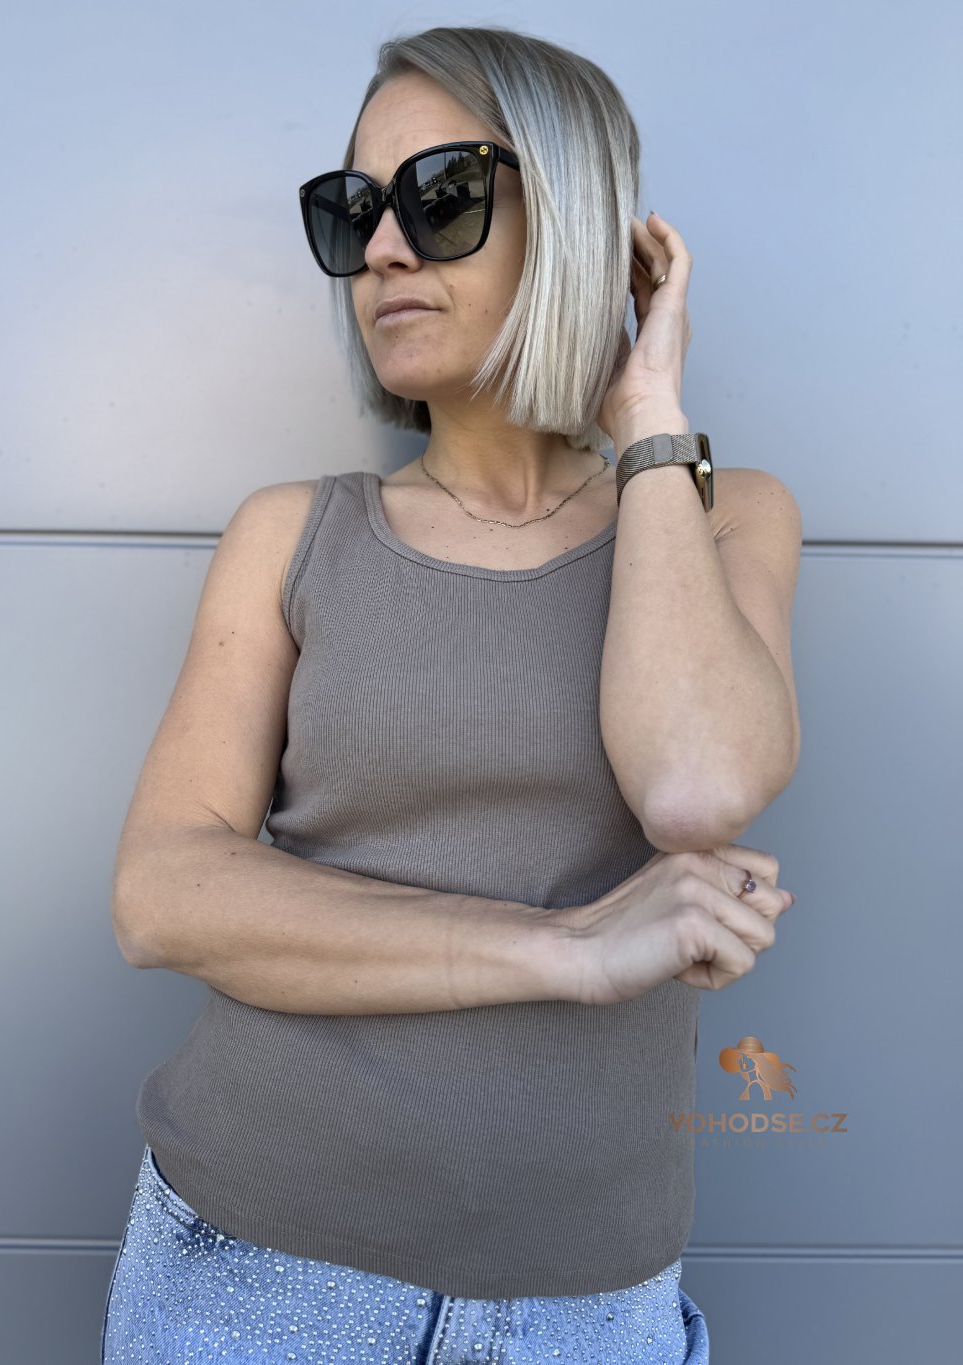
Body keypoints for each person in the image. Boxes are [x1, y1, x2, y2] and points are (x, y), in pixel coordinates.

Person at [101, 24, 801, 1364]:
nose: (382, 249)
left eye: (442, 195)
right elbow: (161, 893)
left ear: (578, 222)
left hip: (588, 1306)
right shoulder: (292, 534)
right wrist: (568, 949)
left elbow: (695, 785)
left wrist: (649, 419)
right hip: (254, 1278)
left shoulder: (725, 517)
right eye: (353, 208)